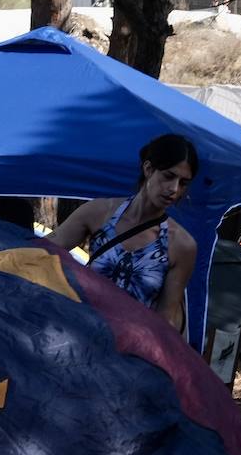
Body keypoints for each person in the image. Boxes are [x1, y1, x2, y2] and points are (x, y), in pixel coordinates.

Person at [48, 134, 199, 331]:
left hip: (129, 353)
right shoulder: (99, 212)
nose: (174, 189)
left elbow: (166, 321)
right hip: (79, 334)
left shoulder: (181, 245)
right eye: (168, 176)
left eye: (184, 183)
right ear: (148, 169)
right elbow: (42, 251)